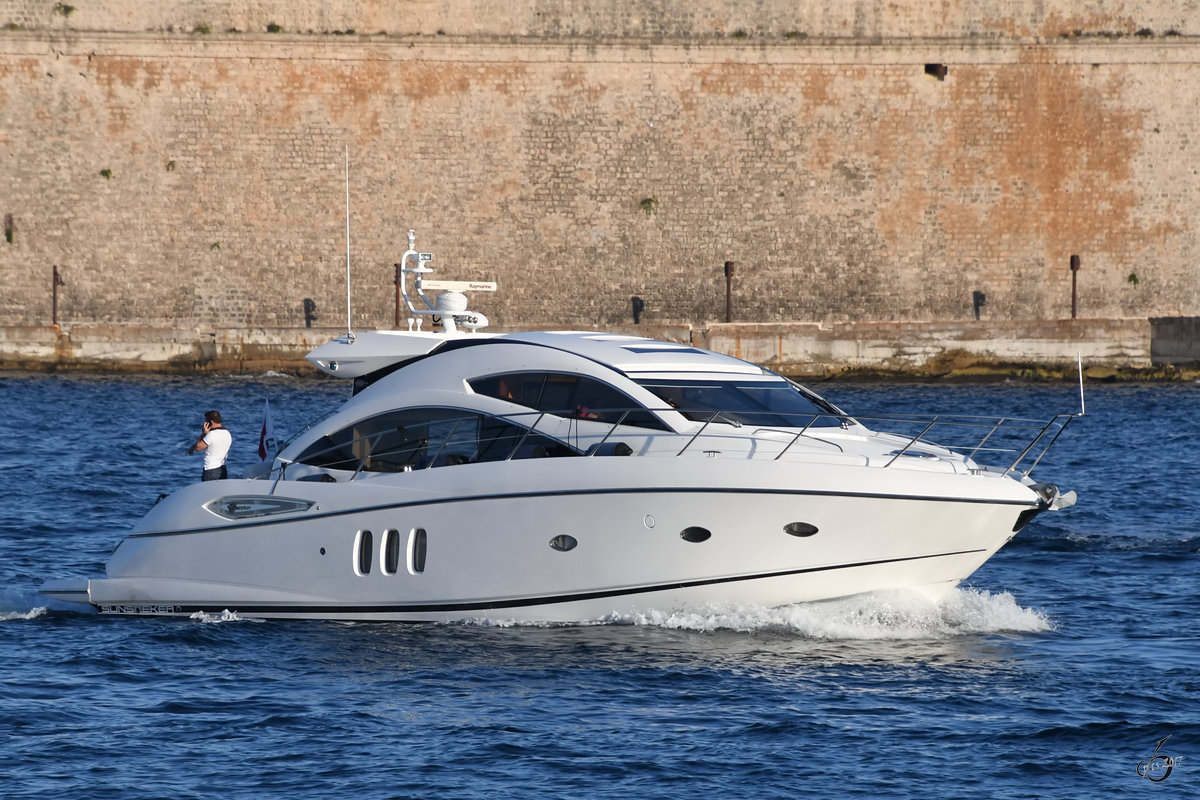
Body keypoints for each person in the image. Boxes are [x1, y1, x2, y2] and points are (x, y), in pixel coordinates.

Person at [187, 409, 232, 481]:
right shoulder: (227, 433)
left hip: (211, 470)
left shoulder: (212, 434)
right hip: (223, 469)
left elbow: (198, 448)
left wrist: (203, 433)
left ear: (211, 422)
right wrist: (192, 448)